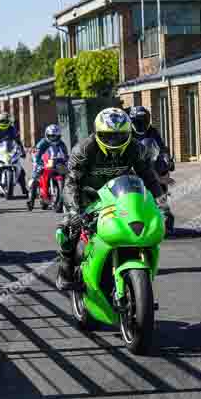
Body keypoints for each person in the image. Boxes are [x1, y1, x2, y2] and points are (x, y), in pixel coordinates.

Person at [55, 107, 167, 290]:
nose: (114, 140)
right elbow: (71, 182)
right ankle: (65, 269)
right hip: (86, 195)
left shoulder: (135, 148)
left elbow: (147, 174)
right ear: (97, 132)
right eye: (108, 135)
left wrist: (161, 202)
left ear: (129, 133)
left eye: (120, 135)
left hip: (119, 194)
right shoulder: (84, 149)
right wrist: (74, 209)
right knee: (69, 228)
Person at [0, 112, 28, 196]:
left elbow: (18, 141)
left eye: (5, 121)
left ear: (9, 121)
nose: (3, 123)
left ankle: (24, 189)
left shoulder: (12, 129)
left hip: (10, 150)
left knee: (22, 171)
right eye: (1, 121)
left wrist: (22, 151)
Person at [28, 124, 68, 205]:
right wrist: (37, 161)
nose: (54, 138)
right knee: (35, 176)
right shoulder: (42, 142)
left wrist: (66, 160)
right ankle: (31, 200)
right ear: (47, 135)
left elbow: (65, 154)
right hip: (44, 162)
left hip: (57, 163)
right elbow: (36, 153)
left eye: (56, 136)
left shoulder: (61, 143)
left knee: (68, 175)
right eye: (51, 136)